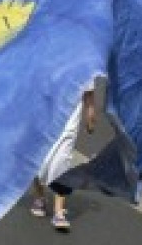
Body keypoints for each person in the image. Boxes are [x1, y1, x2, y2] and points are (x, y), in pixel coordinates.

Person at [29, 89, 96, 232]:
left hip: (69, 124)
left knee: (62, 163)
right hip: (44, 116)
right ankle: (40, 197)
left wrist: (90, 116)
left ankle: (59, 212)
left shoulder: (83, 66)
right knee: (39, 160)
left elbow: (89, 93)